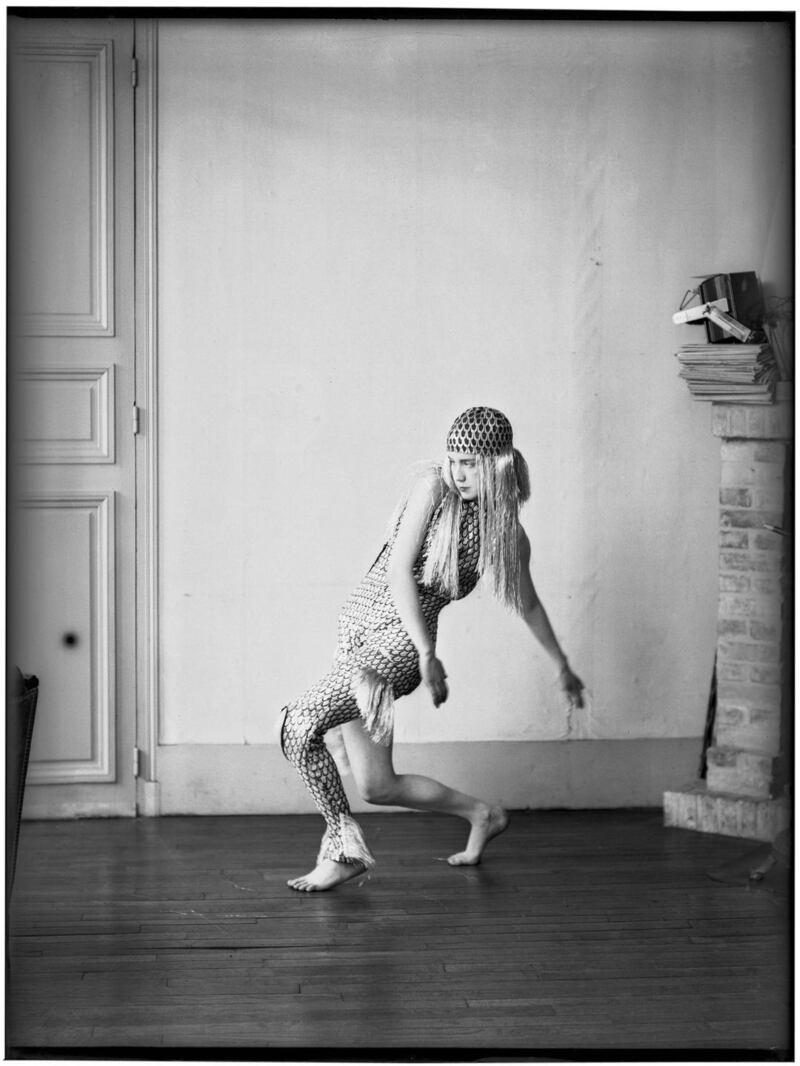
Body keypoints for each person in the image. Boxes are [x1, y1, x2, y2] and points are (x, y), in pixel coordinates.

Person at [278, 406, 584, 892]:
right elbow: (397, 566)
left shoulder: (505, 537)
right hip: (357, 637)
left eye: (471, 463)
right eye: (453, 460)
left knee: (298, 724)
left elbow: (526, 604)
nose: (458, 473)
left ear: (499, 465)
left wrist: (561, 664)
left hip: (395, 649)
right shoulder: (433, 489)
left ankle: (343, 852)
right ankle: (483, 814)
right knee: (377, 786)